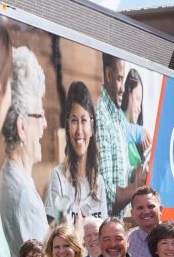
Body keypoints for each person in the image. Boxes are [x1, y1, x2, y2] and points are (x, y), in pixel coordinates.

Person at [0, 46, 50, 257]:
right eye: (40, 115)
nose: (45, 124)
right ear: (21, 126)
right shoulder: (22, 192)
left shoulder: (9, 176)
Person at [46, 81, 108, 230]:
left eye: (84, 120)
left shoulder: (99, 182)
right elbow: (54, 236)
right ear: (67, 127)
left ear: (92, 127)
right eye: (74, 121)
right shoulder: (59, 178)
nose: (79, 130)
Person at [96, 54, 149, 216]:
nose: (122, 88)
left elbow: (121, 173)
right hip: (108, 229)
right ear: (107, 75)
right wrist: (136, 186)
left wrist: (138, 172)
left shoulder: (116, 116)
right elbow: (108, 196)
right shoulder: (101, 118)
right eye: (119, 79)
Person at [121, 68, 146, 171]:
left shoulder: (135, 138)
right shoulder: (118, 121)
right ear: (128, 93)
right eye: (137, 98)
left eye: (141, 101)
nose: (139, 108)